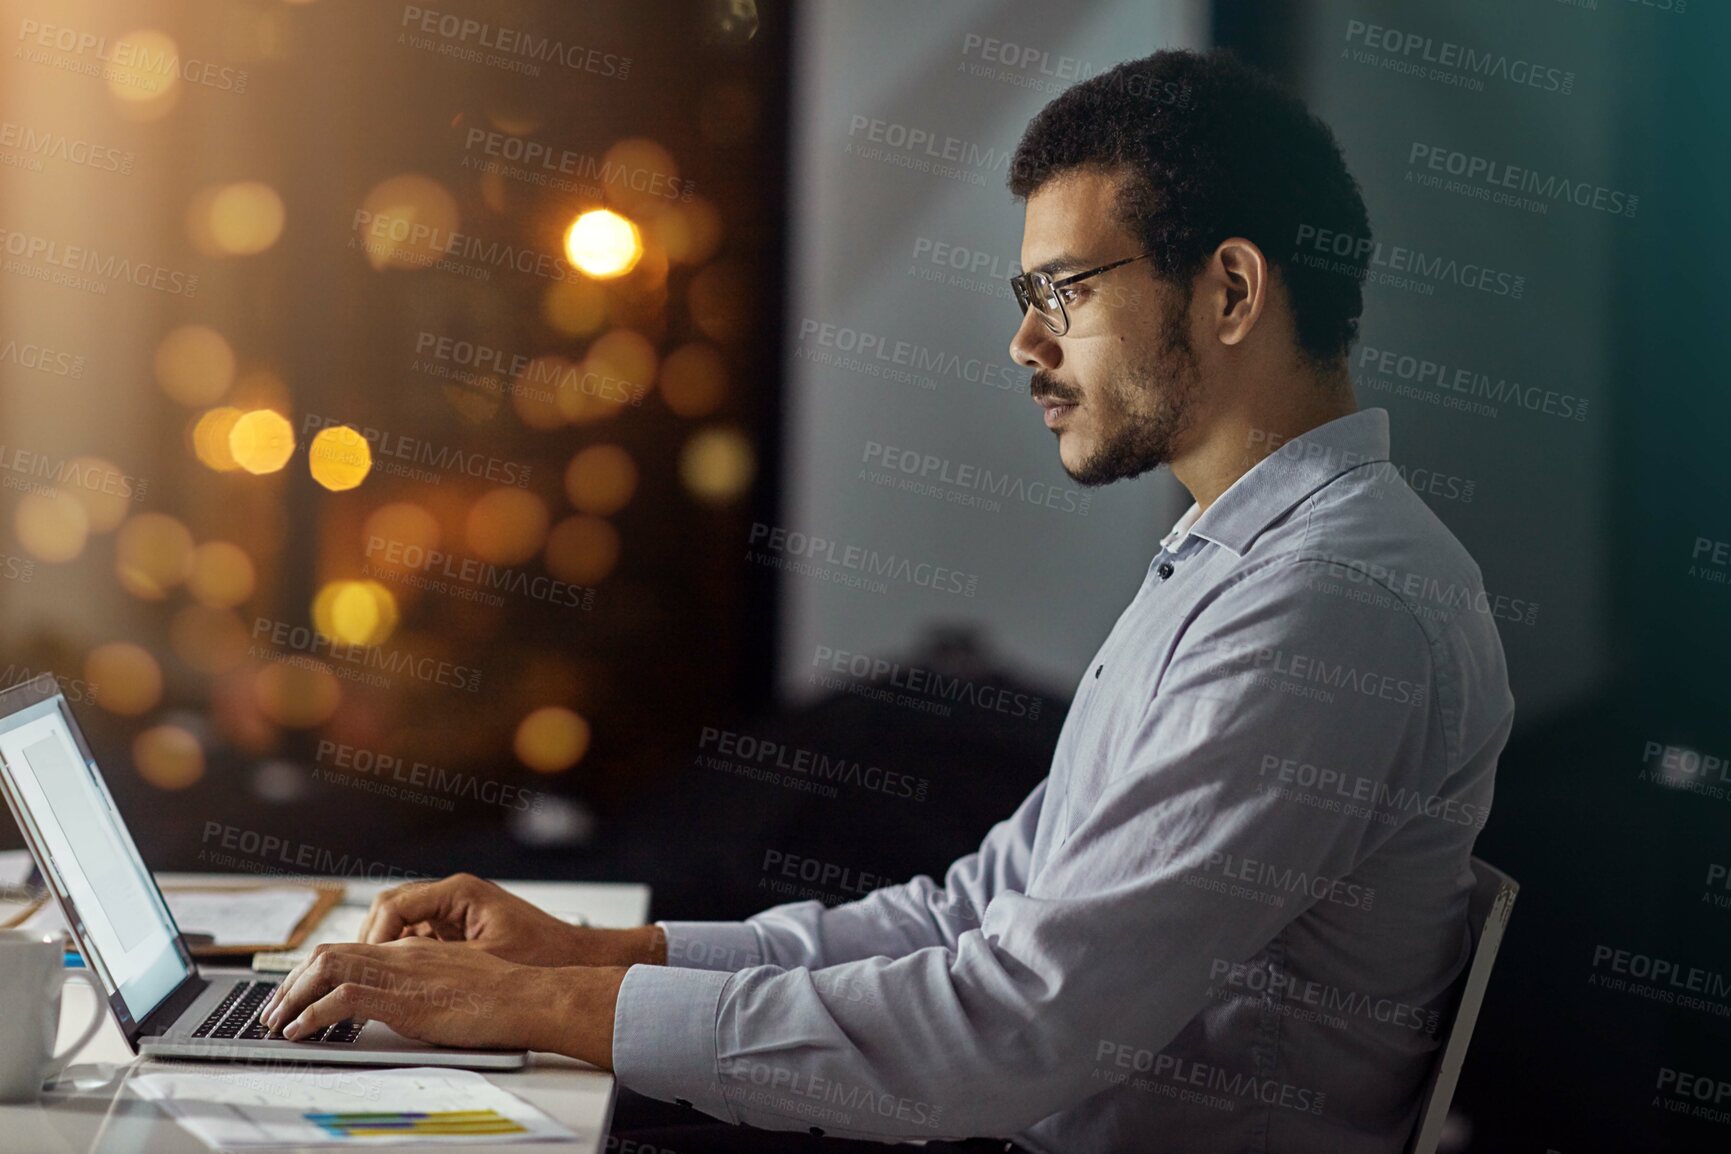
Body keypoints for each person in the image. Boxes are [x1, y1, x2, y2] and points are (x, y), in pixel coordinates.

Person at [263, 48, 1513, 1153]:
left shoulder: (1325, 608)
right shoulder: (1243, 559)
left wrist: (531, 1005)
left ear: (1231, 291)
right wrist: (591, 958)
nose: (1025, 345)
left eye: (1064, 291)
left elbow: (1011, 1025)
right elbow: (975, 911)